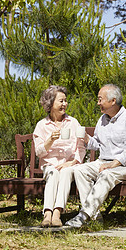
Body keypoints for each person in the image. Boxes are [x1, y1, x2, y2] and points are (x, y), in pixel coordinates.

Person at [65, 84, 126, 227]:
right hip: (103, 162)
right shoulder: (102, 119)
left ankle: (84, 216)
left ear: (113, 101)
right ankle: (95, 217)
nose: (98, 103)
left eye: (100, 99)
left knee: (107, 175)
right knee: (79, 170)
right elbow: (98, 144)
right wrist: (87, 140)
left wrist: (113, 164)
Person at [33, 85, 86, 227]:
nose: (65, 104)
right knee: (53, 173)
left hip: (69, 165)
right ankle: (47, 213)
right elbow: (38, 152)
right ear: (50, 104)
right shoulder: (42, 125)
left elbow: (81, 147)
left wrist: (73, 162)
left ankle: (57, 213)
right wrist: (50, 141)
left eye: (65, 101)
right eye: (61, 101)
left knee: (65, 172)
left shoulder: (73, 123)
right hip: (50, 166)